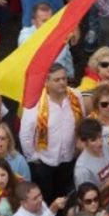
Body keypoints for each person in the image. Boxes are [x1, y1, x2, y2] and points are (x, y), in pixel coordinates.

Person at [20, 65, 82, 203]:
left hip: (69, 159)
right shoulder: (35, 103)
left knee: (65, 197)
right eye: (57, 79)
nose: (62, 82)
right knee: (47, 198)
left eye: (64, 78)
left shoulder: (76, 96)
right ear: (47, 82)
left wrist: (77, 148)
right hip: (45, 162)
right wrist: (34, 158)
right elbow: (25, 135)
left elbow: (81, 120)